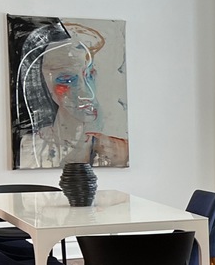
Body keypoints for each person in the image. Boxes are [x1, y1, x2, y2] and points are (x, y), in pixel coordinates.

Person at [10, 19, 129, 168]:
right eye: (68, 80)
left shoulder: (120, 152)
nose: (87, 93)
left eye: (89, 75)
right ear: (47, 87)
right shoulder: (29, 150)